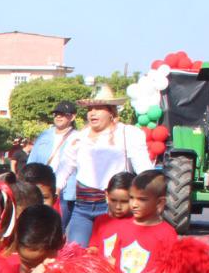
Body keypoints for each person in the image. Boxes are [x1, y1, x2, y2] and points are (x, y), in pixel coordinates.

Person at [54, 90, 153, 246]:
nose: (92, 113)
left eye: (99, 108)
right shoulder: (78, 137)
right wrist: (55, 190)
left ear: (111, 111)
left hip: (115, 207)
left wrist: (149, 197)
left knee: (111, 257)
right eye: (90, 109)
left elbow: (144, 170)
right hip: (82, 208)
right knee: (75, 255)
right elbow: (65, 168)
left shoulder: (129, 134)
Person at [27, 101, 79, 225]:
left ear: (72, 117)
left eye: (62, 114)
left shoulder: (78, 137)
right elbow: (32, 160)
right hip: (40, 187)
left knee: (59, 225)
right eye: (56, 114)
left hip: (65, 193)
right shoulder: (44, 135)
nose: (58, 116)